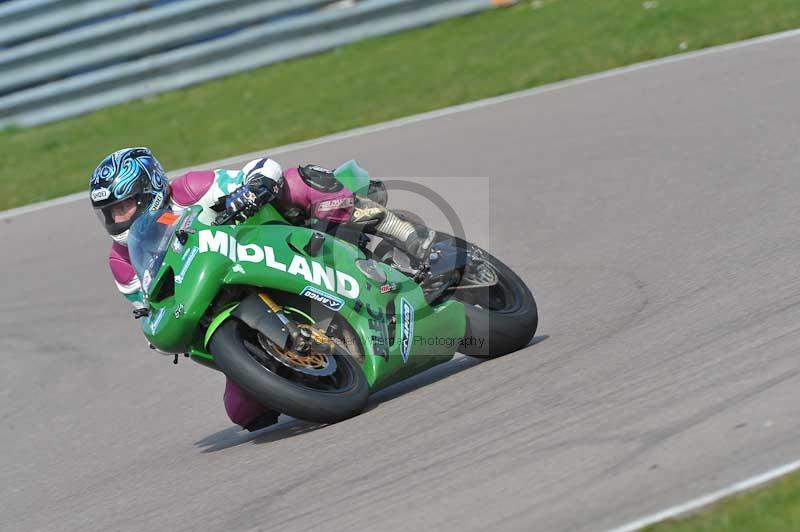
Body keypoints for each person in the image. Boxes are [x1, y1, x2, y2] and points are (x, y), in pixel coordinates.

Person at [90, 146, 434, 431]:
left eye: (123, 206)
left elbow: (262, 167)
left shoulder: (191, 189)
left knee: (298, 182)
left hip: (277, 239)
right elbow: (147, 308)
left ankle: (407, 236)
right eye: (109, 212)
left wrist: (251, 190)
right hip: (223, 296)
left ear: (150, 190)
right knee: (243, 413)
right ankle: (310, 367)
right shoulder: (121, 261)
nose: (117, 219)